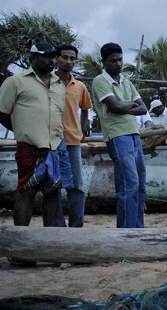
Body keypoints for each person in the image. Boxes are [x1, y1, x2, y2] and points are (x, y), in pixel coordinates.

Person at [0, 42, 64, 260]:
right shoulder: (16, 82)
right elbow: (2, 112)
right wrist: (21, 129)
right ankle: (20, 248)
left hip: (54, 146)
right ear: (33, 58)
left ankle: (48, 244)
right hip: (29, 145)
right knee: (26, 191)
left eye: (54, 57)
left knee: (53, 192)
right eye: (46, 57)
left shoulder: (58, 84)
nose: (52, 61)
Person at [92, 42, 149, 228]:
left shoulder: (126, 82)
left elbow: (143, 109)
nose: (118, 64)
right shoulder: (100, 81)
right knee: (129, 184)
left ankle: (137, 229)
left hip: (134, 134)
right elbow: (115, 106)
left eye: (120, 59)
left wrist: (124, 106)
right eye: (113, 61)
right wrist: (128, 105)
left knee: (140, 185)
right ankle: (126, 231)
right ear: (104, 62)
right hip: (117, 136)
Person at [54, 43, 92, 228]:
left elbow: (86, 108)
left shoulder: (80, 86)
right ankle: (59, 228)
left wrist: (85, 125)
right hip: (50, 142)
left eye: (72, 58)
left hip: (72, 142)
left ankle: (76, 228)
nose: (68, 61)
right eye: (64, 57)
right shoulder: (47, 82)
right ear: (56, 58)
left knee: (76, 187)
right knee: (53, 187)